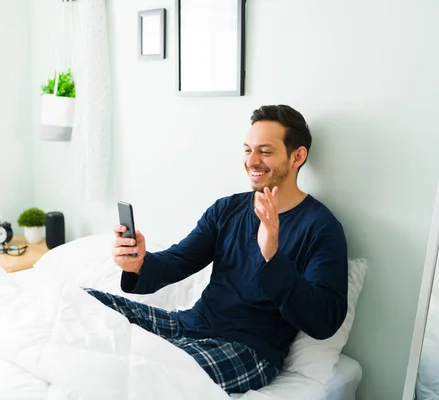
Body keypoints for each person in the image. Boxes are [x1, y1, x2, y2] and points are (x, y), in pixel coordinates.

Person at [85, 105, 348, 394]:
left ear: (297, 156)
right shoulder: (227, 209)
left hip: (248, 350)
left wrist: (272, 254)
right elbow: (179, 260)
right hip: (191, 325)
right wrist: (138, 263)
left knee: (152, 373)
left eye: (265, 151)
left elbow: (325, 321)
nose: (252, 161)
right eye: (248, 150)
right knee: (82, 301)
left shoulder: (322, 228)